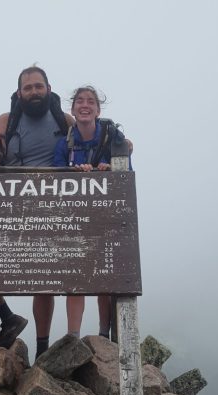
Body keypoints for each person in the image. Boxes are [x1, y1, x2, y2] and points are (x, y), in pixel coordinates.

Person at [0, 66, 74, 356]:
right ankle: (6, 316)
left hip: (53, 205)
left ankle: (42, 350)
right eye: (28, 88)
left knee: (43, 279)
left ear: (49, 88)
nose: (34, 92)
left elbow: (88, 148)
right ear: (19, 92)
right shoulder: (7, 120)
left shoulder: (64, 120)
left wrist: (124, 146)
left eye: (38, 86)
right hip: (12, 202)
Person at [53, 85, 131, 340]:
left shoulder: (113, 136)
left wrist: (108, 168)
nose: (84, 105)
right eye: (79, 101)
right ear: (72, 108)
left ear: (98, 109)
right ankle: (72, 339)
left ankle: (104, 336)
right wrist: (75, 174)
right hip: (73, 217)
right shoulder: (64, 142)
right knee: (75, 277)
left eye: (90, 102)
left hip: (106, 215)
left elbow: (126, 173)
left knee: (105, 278)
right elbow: (55, 178)